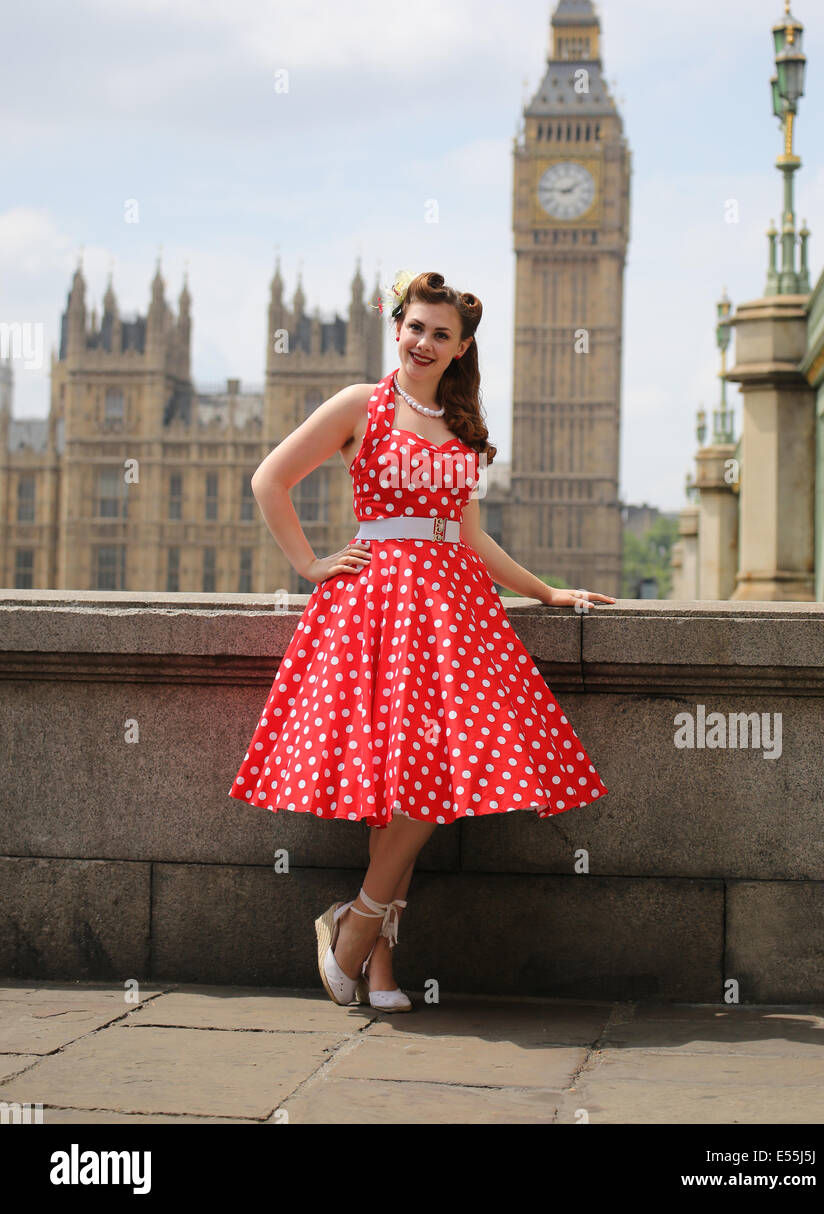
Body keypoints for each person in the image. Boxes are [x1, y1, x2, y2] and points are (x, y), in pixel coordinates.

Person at [228, 269, 615, 1013]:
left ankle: (361, 937)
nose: (424, 342)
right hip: (377, 607)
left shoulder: (462, 428)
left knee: (424, 781)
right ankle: (370, 955)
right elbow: (269, 479)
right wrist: (309, 564)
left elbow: (470, 537)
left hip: (455, 613)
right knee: (402, 785)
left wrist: (545, 592)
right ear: (396, 327)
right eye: (414, 327)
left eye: (441, 334)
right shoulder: (358, 405)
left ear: (462, 346)